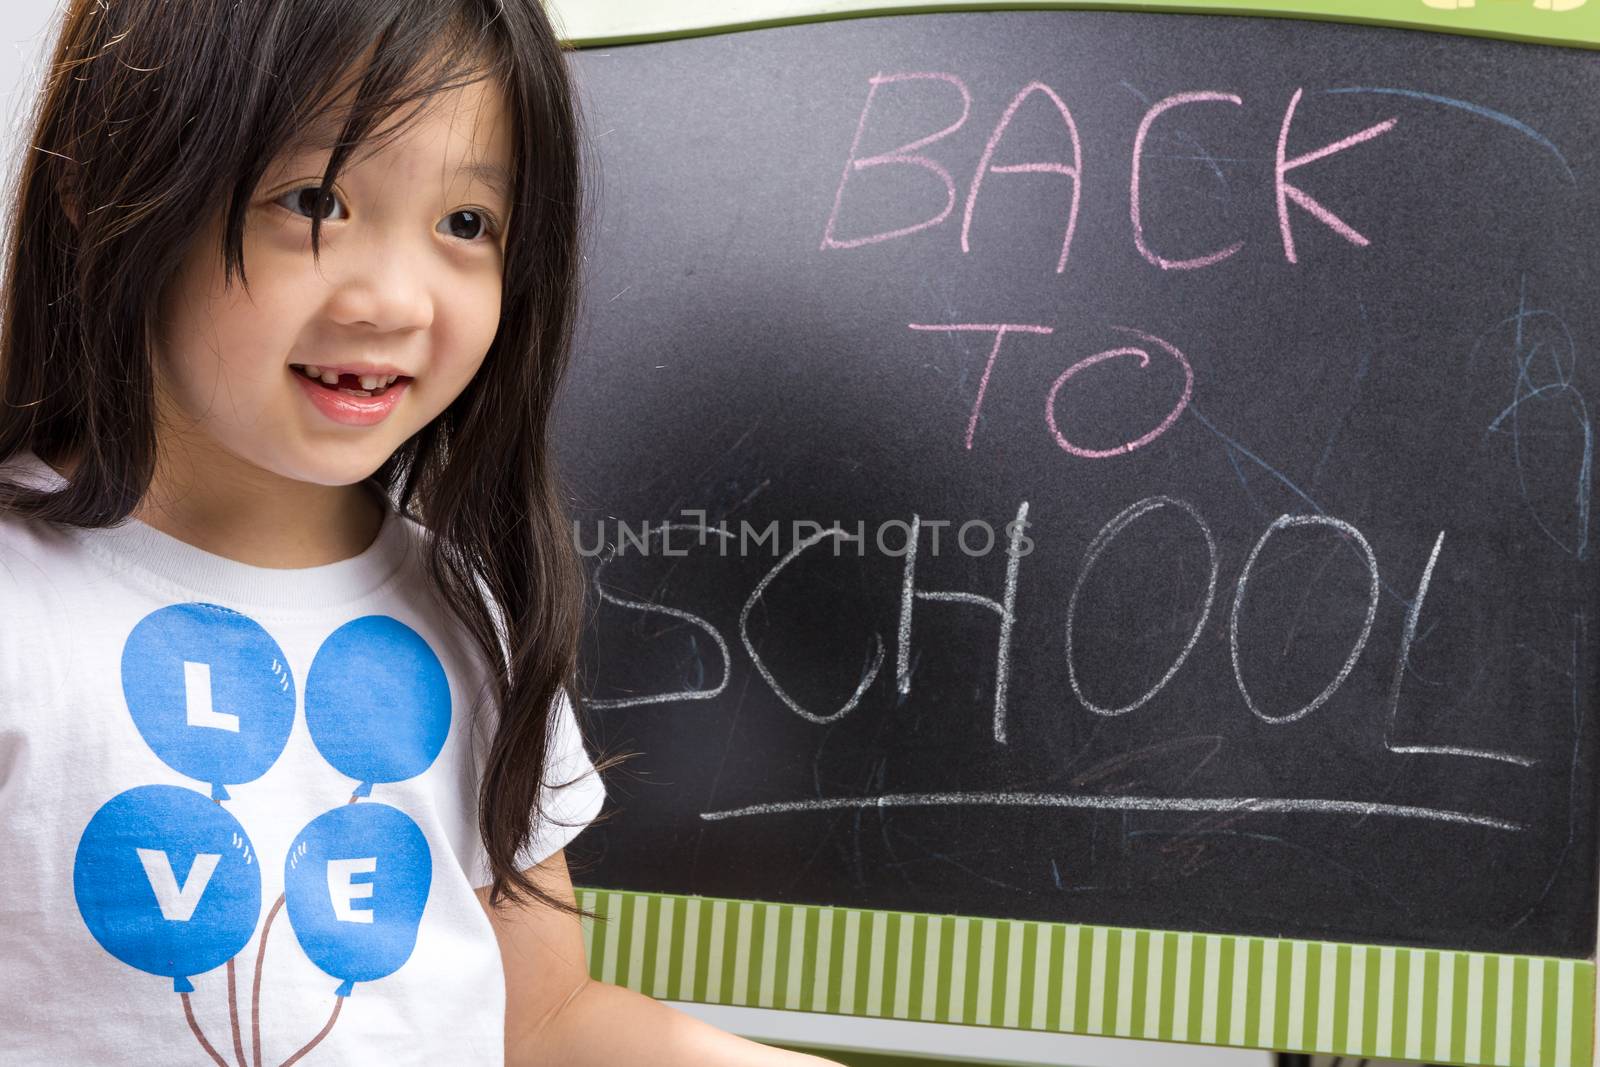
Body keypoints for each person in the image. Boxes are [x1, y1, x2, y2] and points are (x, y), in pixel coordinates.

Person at [0, 1, 842, 1064]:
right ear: (103, 186)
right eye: (316, 200)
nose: (396, 299)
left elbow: (540, 1016)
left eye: (465, 225)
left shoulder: (464, 608)